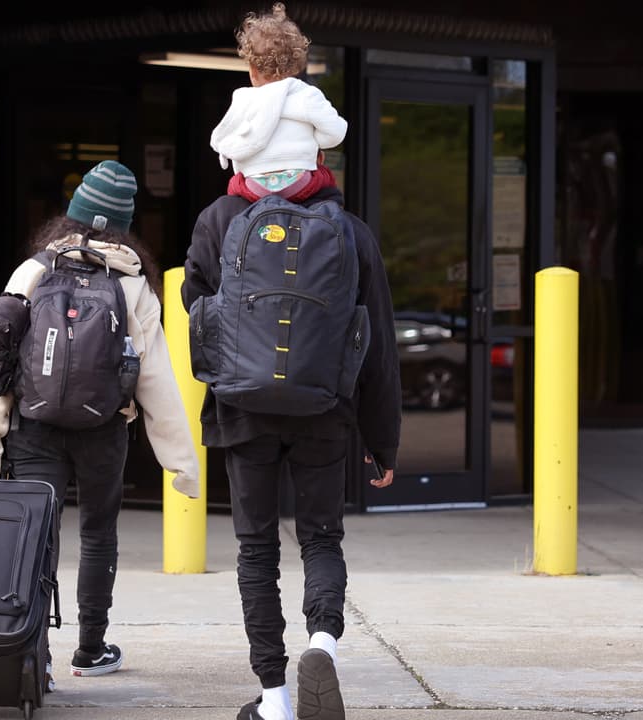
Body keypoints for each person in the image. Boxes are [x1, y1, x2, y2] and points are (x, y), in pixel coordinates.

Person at [182, 7, 402, 720]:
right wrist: (382, 438)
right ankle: (324, 642)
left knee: (255, 551)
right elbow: (376, 340)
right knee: (321, 536)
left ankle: (275, 697)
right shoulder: (349, 230)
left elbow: (196, 309)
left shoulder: (220, 220)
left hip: (243, 409)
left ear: (249, 70)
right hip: (325, 408)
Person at [0, 160, 201, 687]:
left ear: (70, 215)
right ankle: (91, 649)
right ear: (123, 226)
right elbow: (157, 381)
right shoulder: (133, 286)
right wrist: (182, 464)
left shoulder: (33, 272)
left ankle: (35, 655)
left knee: (36, 536)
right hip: (103, 429)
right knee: (97, 534)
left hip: (35, 428)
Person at [209, 2, 347, 201]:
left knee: (234, 184)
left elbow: (227, 134)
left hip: (253, 187)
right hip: (298, 184)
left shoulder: (243, 99)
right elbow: (336, 132)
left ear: (252, 71)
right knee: (324, 176)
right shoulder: (307, 95)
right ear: (295, 67)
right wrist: (314, 138)